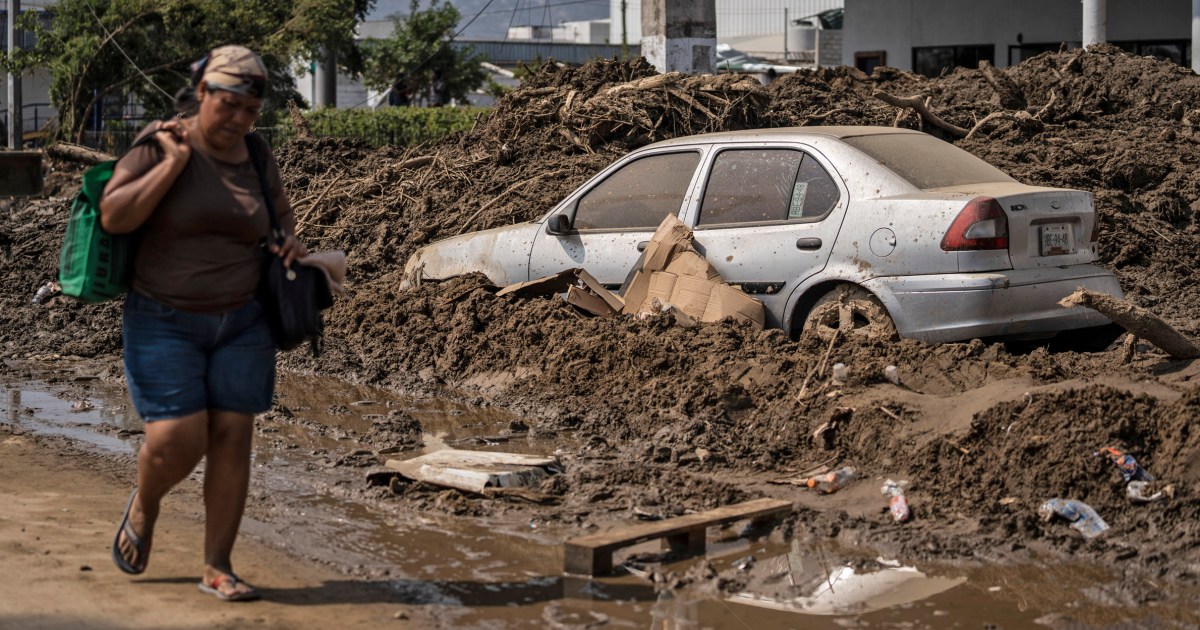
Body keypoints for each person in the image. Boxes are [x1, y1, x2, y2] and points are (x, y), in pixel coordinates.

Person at [99, 45, 306, 602]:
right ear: (203, 95)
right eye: (229, 105)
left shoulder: (258, 154)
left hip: (243, 320)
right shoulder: (162, 140)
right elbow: (114, 215)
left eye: (250, 110)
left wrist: (289, 244)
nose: (239, 119)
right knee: (176, 440)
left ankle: (218, 566)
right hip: (163, 317)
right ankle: (145, 503)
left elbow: (279, 217)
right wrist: (170, 166)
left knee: (233, 436)